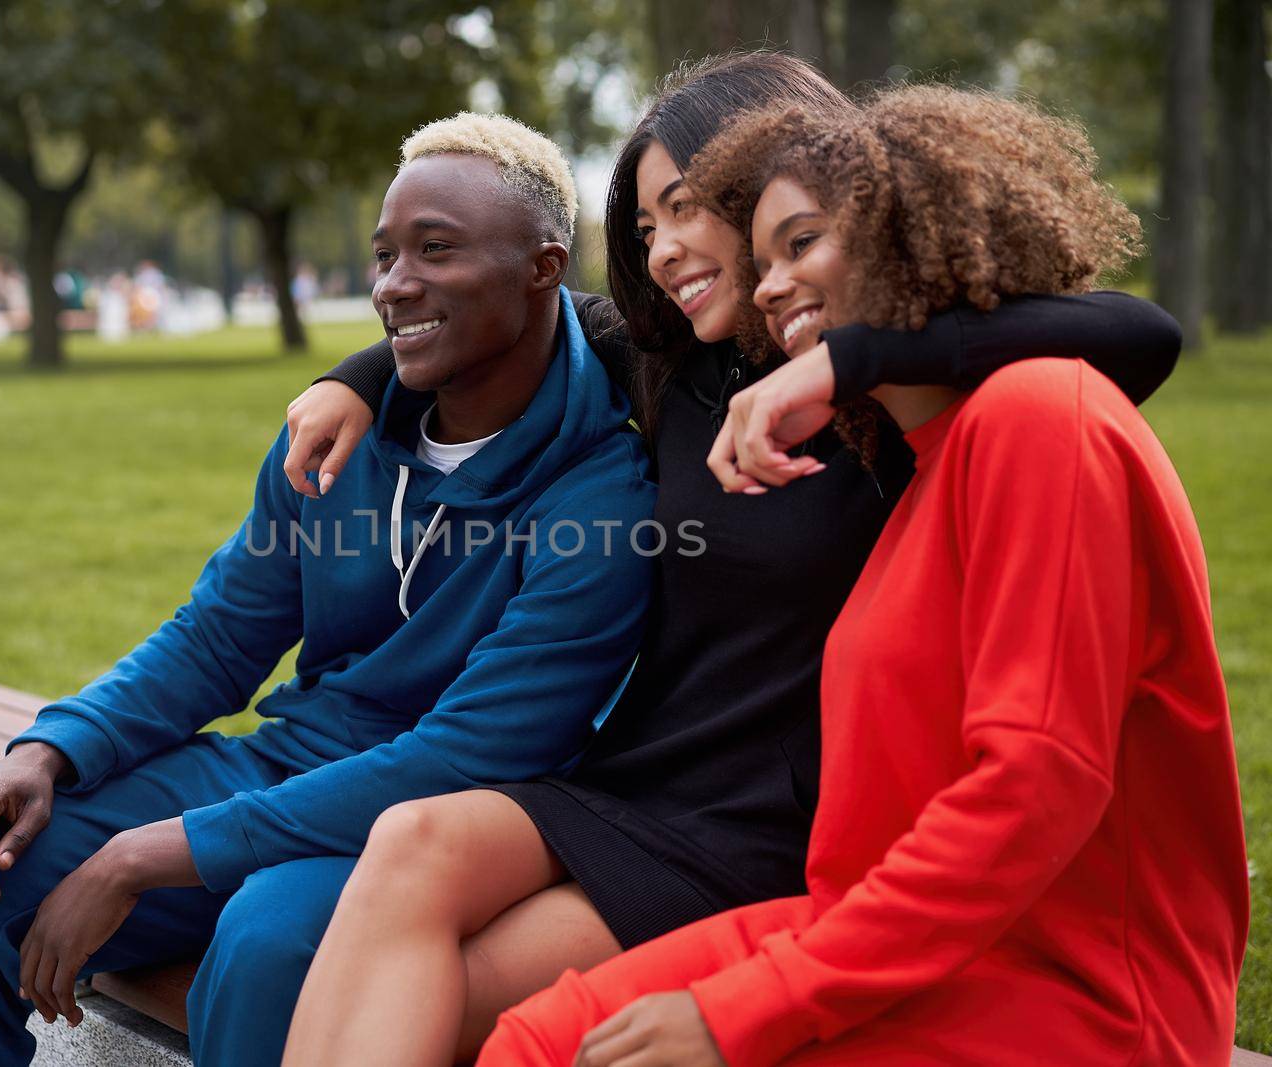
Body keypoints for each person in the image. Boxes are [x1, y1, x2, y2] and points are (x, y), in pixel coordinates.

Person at [278, 52, 1184, 1067]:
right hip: (644, 776)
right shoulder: (680, 361)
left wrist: (853, 359)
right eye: (644, 228)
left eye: (685, 210)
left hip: (777, 825)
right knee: (412, 843)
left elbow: (1139, 330)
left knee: (473, 1007)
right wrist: (358, 379)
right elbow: (518, 318)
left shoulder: (919, 396)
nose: (661, 250)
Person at [0, 112, 658, 1067]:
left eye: (435, 250)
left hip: (448, 822)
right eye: (383, 254)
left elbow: (463, 756)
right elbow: (216, 637)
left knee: (266, 947)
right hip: (288, 763)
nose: (394, 284)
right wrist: (48, 749)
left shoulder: (607, 497)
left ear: (545, 267)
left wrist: (140, 854)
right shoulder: (338, 437)